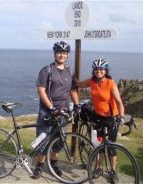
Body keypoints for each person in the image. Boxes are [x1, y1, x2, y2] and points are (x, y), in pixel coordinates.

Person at [33, 41, 79, 179]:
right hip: (47, 110)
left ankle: (53, 163)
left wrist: (76, 105)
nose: (62, 55)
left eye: (64, 53)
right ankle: (39, 166)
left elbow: (73, 90)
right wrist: (51, 108)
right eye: (59, 52)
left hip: (63, 111)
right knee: (43, 138)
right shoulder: (46, 70)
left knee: (59, 139)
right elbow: (41, 91)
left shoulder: (70, 71)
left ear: (67, 55)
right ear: (54, 54)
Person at [76, 58, 125, 182]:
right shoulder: (91, 82)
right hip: (98, 117)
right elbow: (78, 84)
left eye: (101, 69)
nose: (98, 71)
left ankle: (113, 171)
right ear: (94, 71)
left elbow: (119, 102)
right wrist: (68, 78)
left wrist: (121, 117)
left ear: (105, 70)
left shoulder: (110, 83)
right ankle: (99, 168)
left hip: (111, 118)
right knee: (99, 146)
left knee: (111, 147)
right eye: (96, 69)